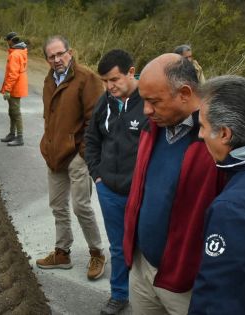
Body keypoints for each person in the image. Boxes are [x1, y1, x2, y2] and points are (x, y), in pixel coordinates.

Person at [123, 53, 225, 315]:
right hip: (142, 266)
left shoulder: (218, 141)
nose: (146, 110)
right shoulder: (154, 125)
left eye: (153, 101)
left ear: (185, 93)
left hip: (184, 284)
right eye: (143, 100)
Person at [36, 35, 106, 281]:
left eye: (60, 54)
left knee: (81, 206)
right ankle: (62, 252)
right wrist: (47, 145)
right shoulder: (48, 80)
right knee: (57, 206)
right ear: (47, 59)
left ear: (70, 52)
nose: (56, 59)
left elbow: (95, 121)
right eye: (51, 56)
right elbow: (50, 118)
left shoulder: (87, 79)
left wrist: (83, 154)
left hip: (77, 154)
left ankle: (97, 252)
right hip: (55, 155)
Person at [85, 49, 147, 315]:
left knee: (148, 249)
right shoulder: (105, 102)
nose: (109, 87)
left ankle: (152, 301)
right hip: (109, 190)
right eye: (105, 81)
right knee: (119, 247)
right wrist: (97, 176)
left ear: (131, 72)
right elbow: (91, 140)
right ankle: (119, 295)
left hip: (142, 193)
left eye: (114, 79)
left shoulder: (149, 101)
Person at [188, 75, 245, 314]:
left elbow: (219, 299)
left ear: (225, 134)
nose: (200, 135)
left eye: (203, 126)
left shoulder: (232, 208)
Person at [0, 31, 28, 146]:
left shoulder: (15, 54)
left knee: (16, 112)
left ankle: (19, 137)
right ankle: (12, 134)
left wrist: (7, 89)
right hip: (17, 85)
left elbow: (13, 74)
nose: (7, 43)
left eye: (7, 40)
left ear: (11, 41)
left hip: (15, 87)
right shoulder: (20, 51)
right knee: (12, 111)